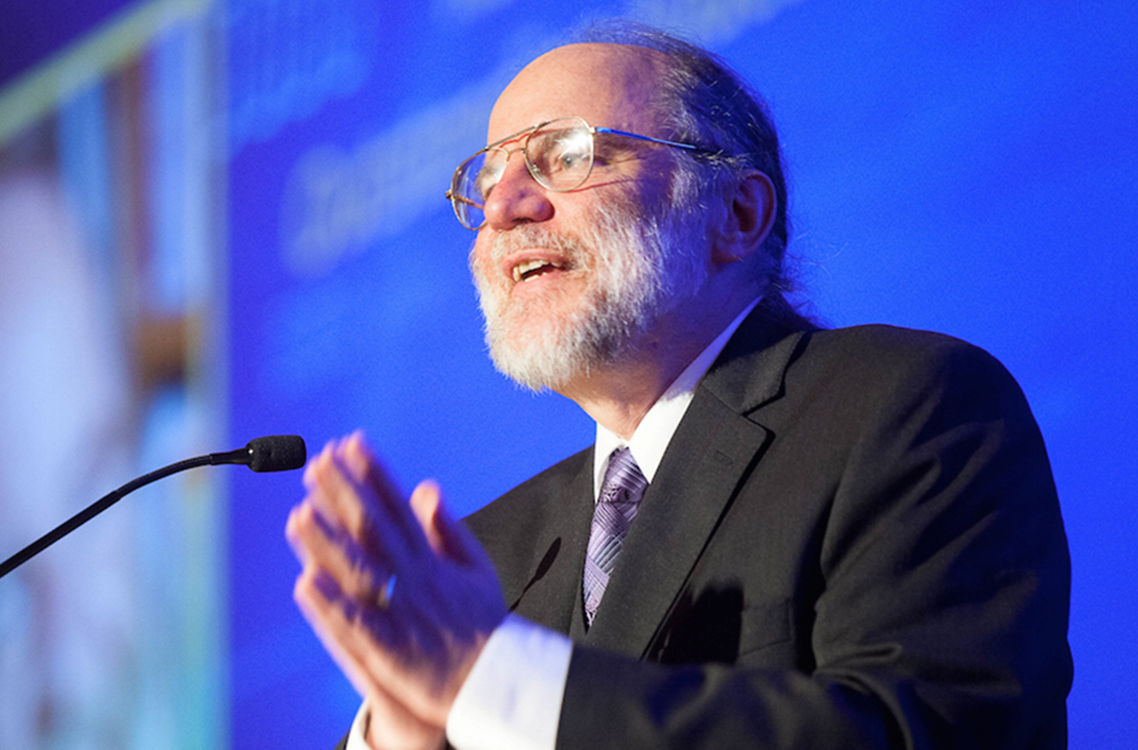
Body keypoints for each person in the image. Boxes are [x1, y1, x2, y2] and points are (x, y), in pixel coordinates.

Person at [285, 22, 1071, 750]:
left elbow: (920, 729)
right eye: (488, 177)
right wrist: (404, 732)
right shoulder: (488, 554)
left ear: (734, 212)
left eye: (564, 155)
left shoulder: (905, 407)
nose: (503, 206)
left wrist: (486, 679)